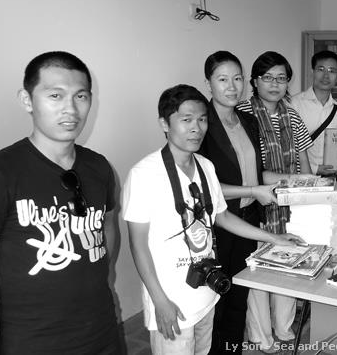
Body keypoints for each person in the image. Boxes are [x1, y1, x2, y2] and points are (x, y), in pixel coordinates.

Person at [0, 51, 123, 354]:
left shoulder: (99, 167)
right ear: (27, 100)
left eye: (81, 96)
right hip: (33, 342)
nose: (71, 109)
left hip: (103, 335)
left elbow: (107, 225)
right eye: (55, 95)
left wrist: (104, 278)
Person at [123, 84, 304, 355]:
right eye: (186, 120)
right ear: (164, 123)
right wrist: (159, 301)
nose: (196, 128)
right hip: (171, 300)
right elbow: (138, 245)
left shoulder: (206, 167)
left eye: (202, 119)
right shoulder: (144, 174)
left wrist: (274, 238)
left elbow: (223, 217)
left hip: (207, 294)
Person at [197, 51, 293, 354]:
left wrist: (292, 181)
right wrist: (253, 189)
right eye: (222, 79)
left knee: (240, 295)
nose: (232, 86)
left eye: (237, 78)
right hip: (218, 225)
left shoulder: (248, 120)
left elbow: (256, 171)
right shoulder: (202, 125)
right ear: (208, 83)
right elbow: (204, 188)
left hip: (249, 216)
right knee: (217, 301)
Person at [236, 51, 314, 353]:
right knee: (257, 269)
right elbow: (250, 171)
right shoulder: (243, 114)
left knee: (289, 265)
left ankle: (283, 328)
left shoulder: (291, 114)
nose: (275, 84)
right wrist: (293, 180)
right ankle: (260, 336)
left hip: (290, 206)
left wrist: (309, 189)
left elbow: (303, 159)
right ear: (255, 81)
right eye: (267, 77)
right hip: (255, 205)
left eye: (281, 78)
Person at [290, 50, 337, 175]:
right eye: (321, 69)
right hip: (301, 177)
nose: (326, 76)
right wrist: (315, 169)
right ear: (312, 72)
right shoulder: (294, 104)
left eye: (332, 71)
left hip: (331, 177)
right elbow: (286, 149)